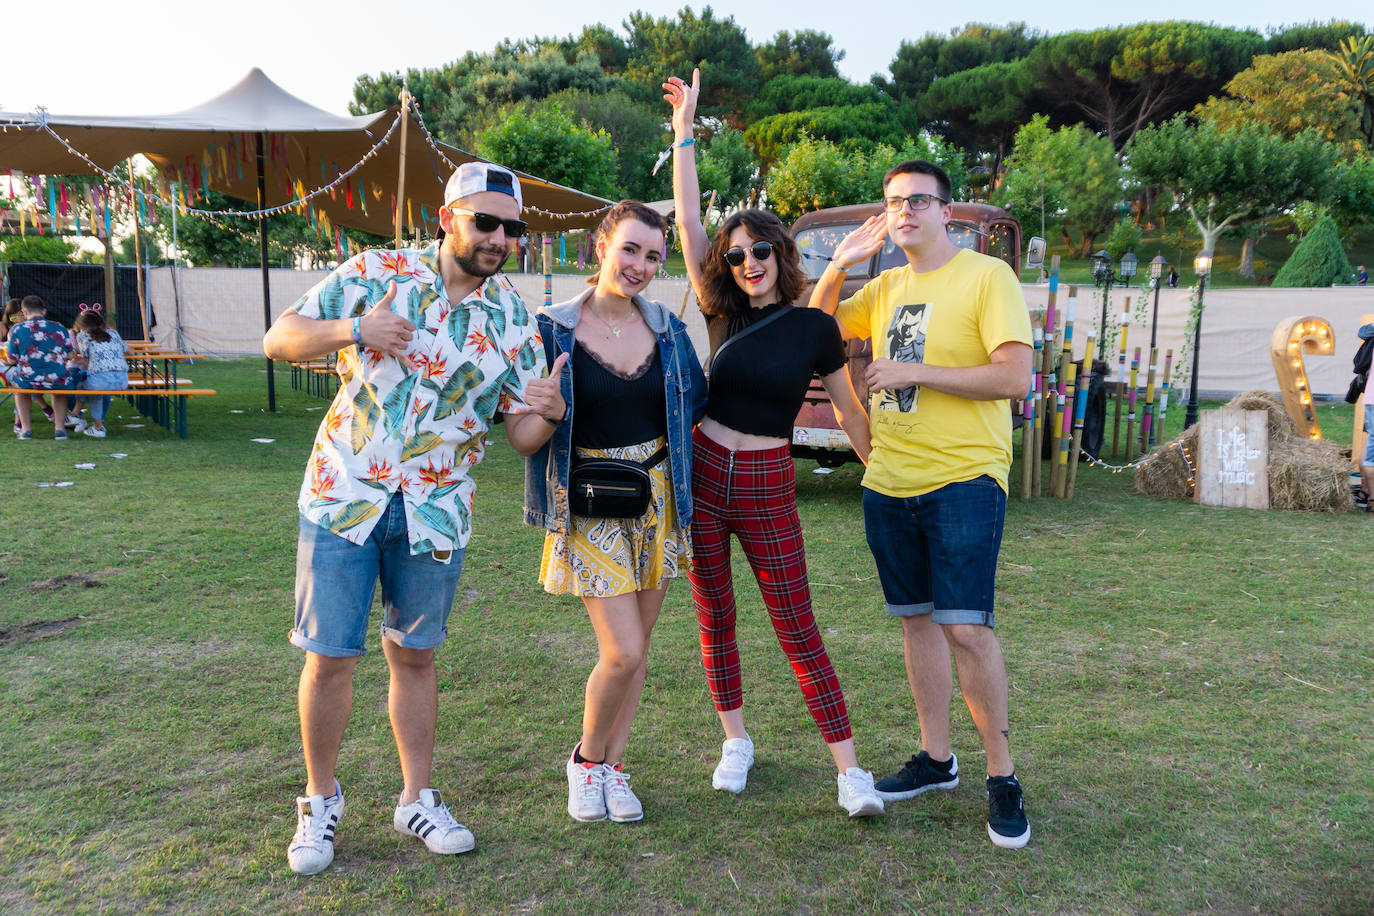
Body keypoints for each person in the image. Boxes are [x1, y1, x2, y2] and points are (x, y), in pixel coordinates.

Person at [262, 162, 566, 875]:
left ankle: (415, 799)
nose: (498, 238)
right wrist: (352, 328)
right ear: (446, 217)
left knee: (415, 656)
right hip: (344, 497)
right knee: (330, 655)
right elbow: (279, 338)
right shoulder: (377, 272)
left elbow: (518, 433)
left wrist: (546, 417)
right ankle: (319, 802)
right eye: (485, 221)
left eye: (511, 228)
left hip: (436, 512)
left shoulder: (514, 321)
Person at [664, 70, 885, 818]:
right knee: (713, 613)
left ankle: (849, 771)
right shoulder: (719, 309)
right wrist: (683, 133)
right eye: (736, 255)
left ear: (781, 254)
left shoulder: (816, 325)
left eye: (760, 251)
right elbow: (690, 219)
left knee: (796, 624)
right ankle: (735, 740)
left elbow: (852, 412)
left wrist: (882, 469)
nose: (748, 263)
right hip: (702, 474)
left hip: (764, 483)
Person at [808, 159, 1035, 848]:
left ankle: (1002, 775)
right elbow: (813, 340)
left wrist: (916, 371)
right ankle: (937, 759)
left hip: (965, 477)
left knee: (966, 626)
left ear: (946, 212)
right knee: (916, 625)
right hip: (889, 481)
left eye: (918, 200)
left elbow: (1015, 376)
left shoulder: (987, 277)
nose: (903, 210)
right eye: (892, 201)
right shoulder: (881, 287)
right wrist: (837, 268)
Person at [524, 200, 707, 824]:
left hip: (656, 498)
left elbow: (692, 407)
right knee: (622, 651)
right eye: (630, 249)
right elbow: (524, 425)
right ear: (601, 245)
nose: (640, 265)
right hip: (592, 499)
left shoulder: (668, 329)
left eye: (654, 256)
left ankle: (614, 767)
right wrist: (540, 409)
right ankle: (586, 759)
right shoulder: (551, 328)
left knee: (642, 645)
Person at [3, 295, 78, 439]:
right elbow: (70, 354)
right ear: (43, 311)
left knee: (19, 388)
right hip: (57, 377)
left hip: (28, 378)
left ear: (24, 312)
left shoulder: (16, 329)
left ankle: (25, 429)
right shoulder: (59, 327)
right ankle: (60, 430)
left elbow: (12, 359)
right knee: (59, 389)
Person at [71, 305, 129, 438]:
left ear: (81, 326)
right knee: (92, 387)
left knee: (85, 387)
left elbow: (86, 362)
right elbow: (131, 351)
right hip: (122, 381)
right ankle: (79, 418)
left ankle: (88, 421)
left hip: (100, 381)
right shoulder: (113, 333)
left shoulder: (82, 336)